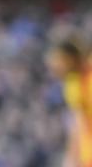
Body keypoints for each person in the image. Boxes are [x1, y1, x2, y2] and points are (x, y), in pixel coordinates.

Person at [46, 39, 92, 167]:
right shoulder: (71, 85)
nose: (53, 68)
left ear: (69, 58)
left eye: (56, 62)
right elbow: (77, 124)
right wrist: (71, 159)